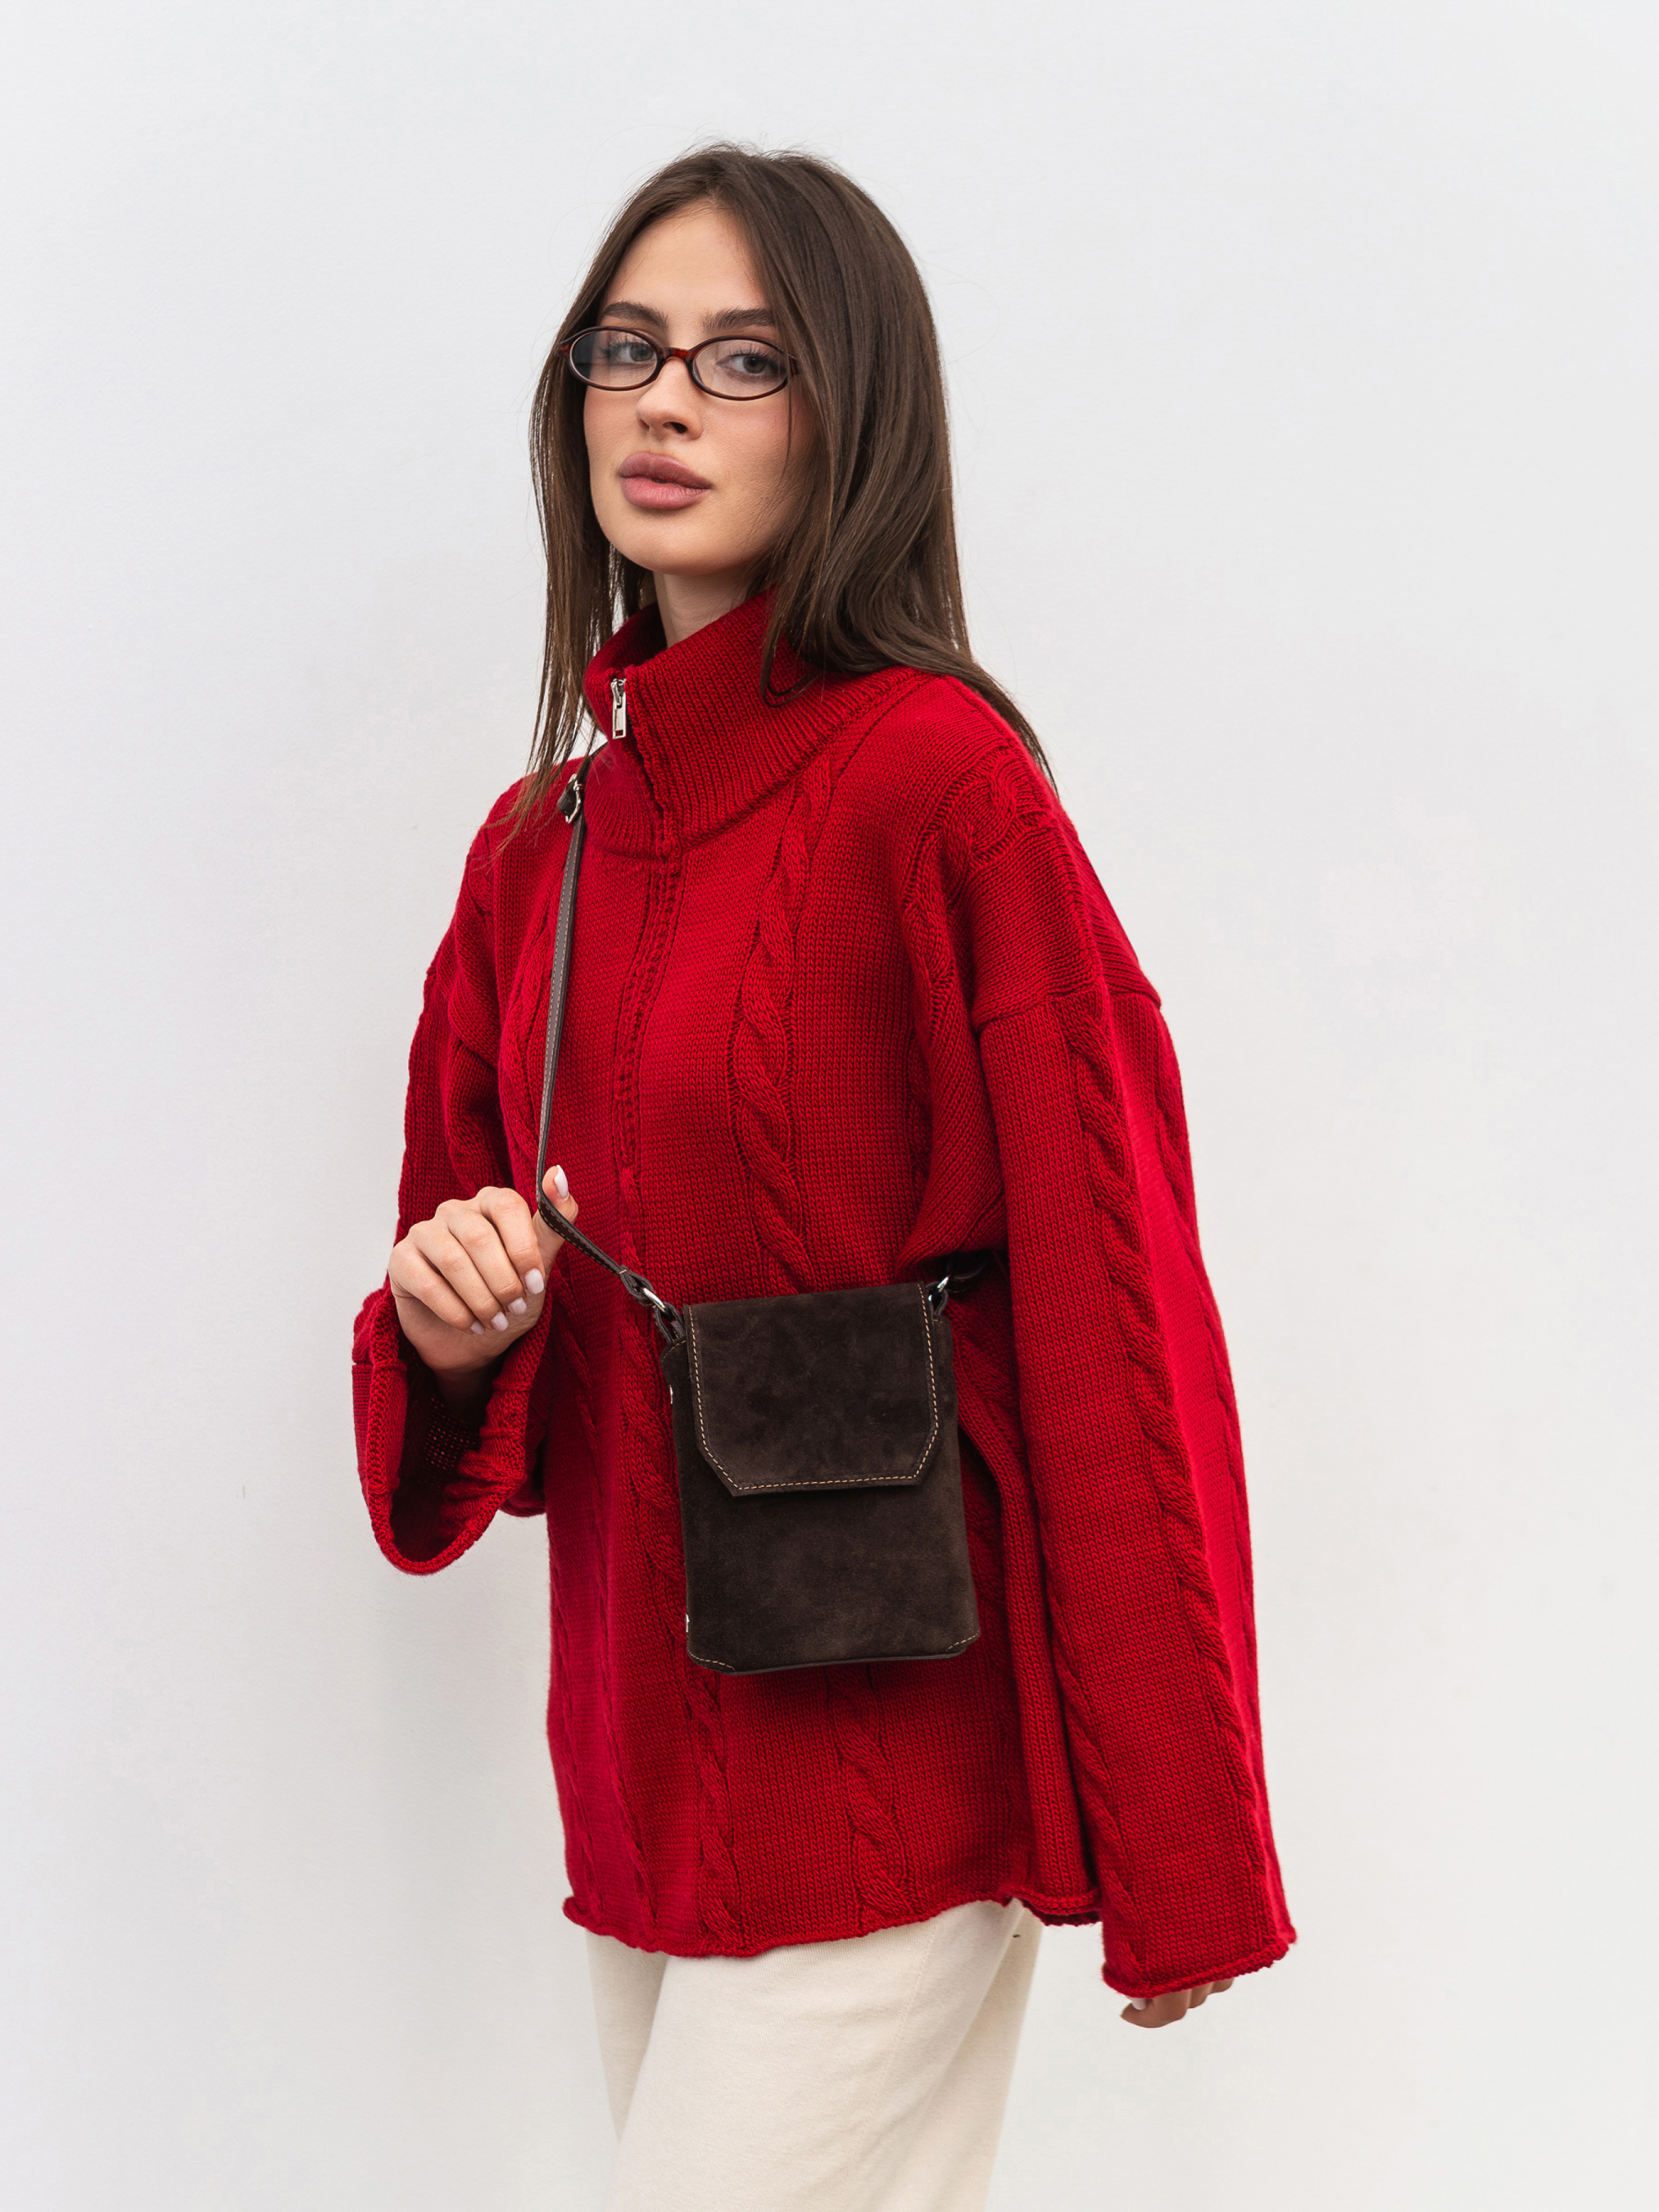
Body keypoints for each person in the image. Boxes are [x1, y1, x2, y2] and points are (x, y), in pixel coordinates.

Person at [352, 143, 1294, 2212]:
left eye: (745, 359)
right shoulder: (535, 852)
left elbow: (1114, 1300)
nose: (663, 402)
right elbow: (454, 1342)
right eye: (625, 348)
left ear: (850, 413)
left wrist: (1180, 1849)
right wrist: (447, 1324)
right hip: (640, 1770)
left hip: (893, 1757)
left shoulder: (937, 785)